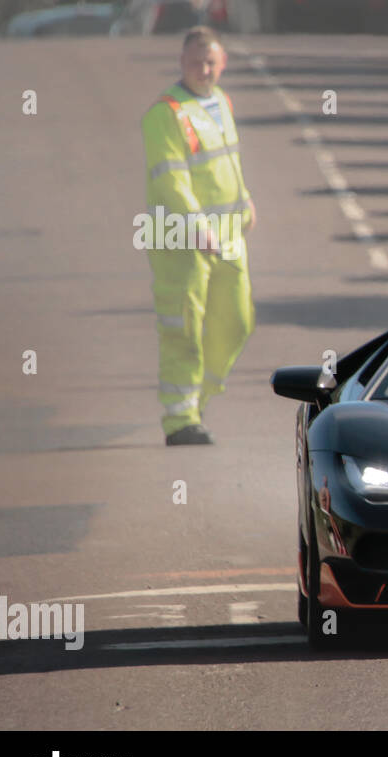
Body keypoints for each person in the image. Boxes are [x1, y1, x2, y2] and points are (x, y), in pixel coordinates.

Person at [143, 25, 255, 446]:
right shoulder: (166, 113)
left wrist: (245, 201)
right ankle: (180, 418)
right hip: (178, 235)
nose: (203, 70)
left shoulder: (220, 101)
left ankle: (200, 397)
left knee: (238, 320)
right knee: (183, 326)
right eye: (195, 63)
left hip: (227, 232)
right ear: (181, 63)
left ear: (222, 64)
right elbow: (171, 180)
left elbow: (228, 162)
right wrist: (195, 226)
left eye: (210, 62)